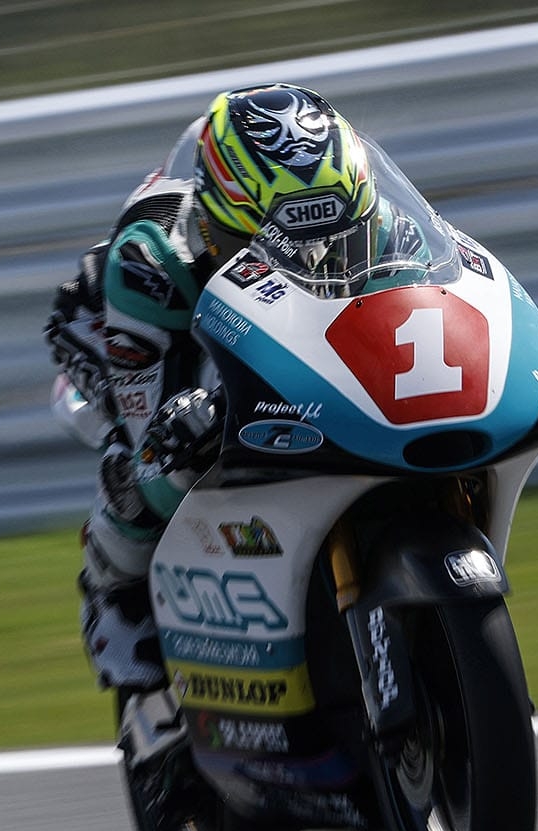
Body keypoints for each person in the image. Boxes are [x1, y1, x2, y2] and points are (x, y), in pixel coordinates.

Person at [45, 82, 405, 719]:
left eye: (334, 237)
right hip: (126, 330)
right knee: (146, 470)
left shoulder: (370, 219)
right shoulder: (154, 264)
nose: (314, 257)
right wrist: (192, 422)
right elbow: (153, 455)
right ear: (219, 224)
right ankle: (115, 603)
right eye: (284, 244)